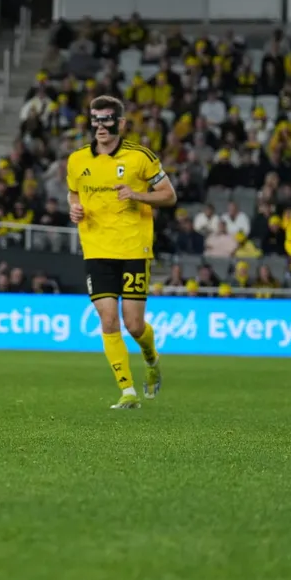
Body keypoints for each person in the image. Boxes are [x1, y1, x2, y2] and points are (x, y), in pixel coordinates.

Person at [67, 95, 176, 409]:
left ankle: (152, 360)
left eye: (107, 119)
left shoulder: (140, 157)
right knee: (108, 320)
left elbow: (168, 195)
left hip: (132, 248)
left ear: (121, 123)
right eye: (95, 119)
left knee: (134, 325)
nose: (101, 126)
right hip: (96, 248)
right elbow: (74, 194)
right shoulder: (77, 160)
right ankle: (128, 392)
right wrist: (74, 210)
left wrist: (138, 195)